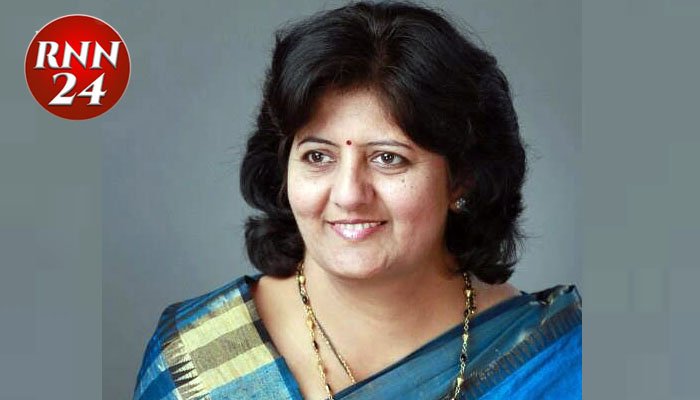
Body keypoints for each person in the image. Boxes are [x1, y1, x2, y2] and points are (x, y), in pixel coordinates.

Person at [133, 2, 581, 399]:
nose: (348, 194)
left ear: (461, 180)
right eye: (318, 156)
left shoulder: (559, 363)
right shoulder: (199, 361)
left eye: (388, 158)